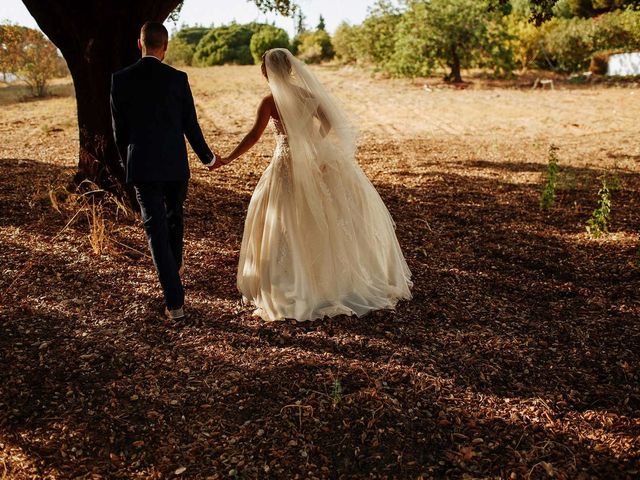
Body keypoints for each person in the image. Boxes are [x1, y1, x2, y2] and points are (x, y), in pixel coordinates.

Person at [219, 48, 412, 322]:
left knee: (286, 219)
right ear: (290, 69)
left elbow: (253, 136)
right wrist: (315, 145)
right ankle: (325, 280)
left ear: (267, 72)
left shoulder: (270, 101)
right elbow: (330, 122)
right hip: (310, 162)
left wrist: (228, 158)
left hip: (286, 164)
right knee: (319, 216)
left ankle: (293, 280)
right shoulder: (307, 95)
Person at [110, 21, 219, 321]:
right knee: (175, 216)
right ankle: (175, 281)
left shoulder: (120, 80)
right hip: (174, 166)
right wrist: (208, 159)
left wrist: (126, 161)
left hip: (142, 166)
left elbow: (119, 133)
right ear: (165, 46)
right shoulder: (178, 79)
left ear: (140, 43)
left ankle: (174, 303)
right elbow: (190, 126)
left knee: (155, 231)